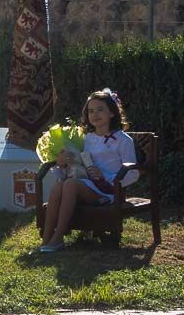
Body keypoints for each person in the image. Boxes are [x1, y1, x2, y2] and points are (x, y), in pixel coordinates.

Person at [39, 88, 137, 253]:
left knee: (70, 185)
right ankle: (46, 238)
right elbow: (78, 164)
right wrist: (62, 162)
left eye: (100, 110)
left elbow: (133, 172)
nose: (95, 114)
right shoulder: (86, 138)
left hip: (109, 191)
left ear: (112, 113)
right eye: (91, 111)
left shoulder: (123, 140)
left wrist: (107, 177)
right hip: (86, 185)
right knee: (58, 187)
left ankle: (58, 238)